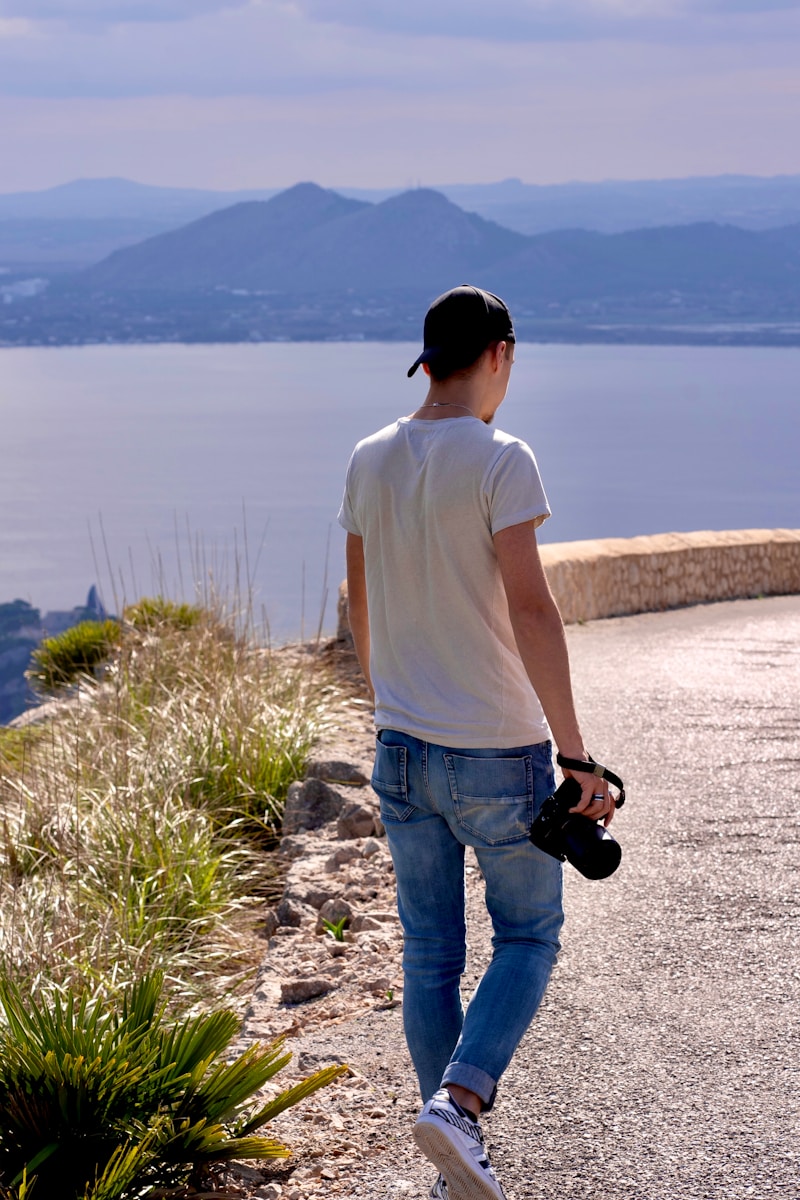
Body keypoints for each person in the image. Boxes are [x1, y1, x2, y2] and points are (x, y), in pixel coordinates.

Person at [337, 285, 616, 1200]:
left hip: (402, 745)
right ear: (498, 353)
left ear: (428, 360)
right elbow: (533, 609)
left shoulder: (368, 457)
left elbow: (361, 607)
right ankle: (458, 1106)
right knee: (530, 933)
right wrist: (575, 756)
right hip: (497, 748)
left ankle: (448, 1144)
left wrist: (391, 708)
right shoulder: (504, 457)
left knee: (429, 953)